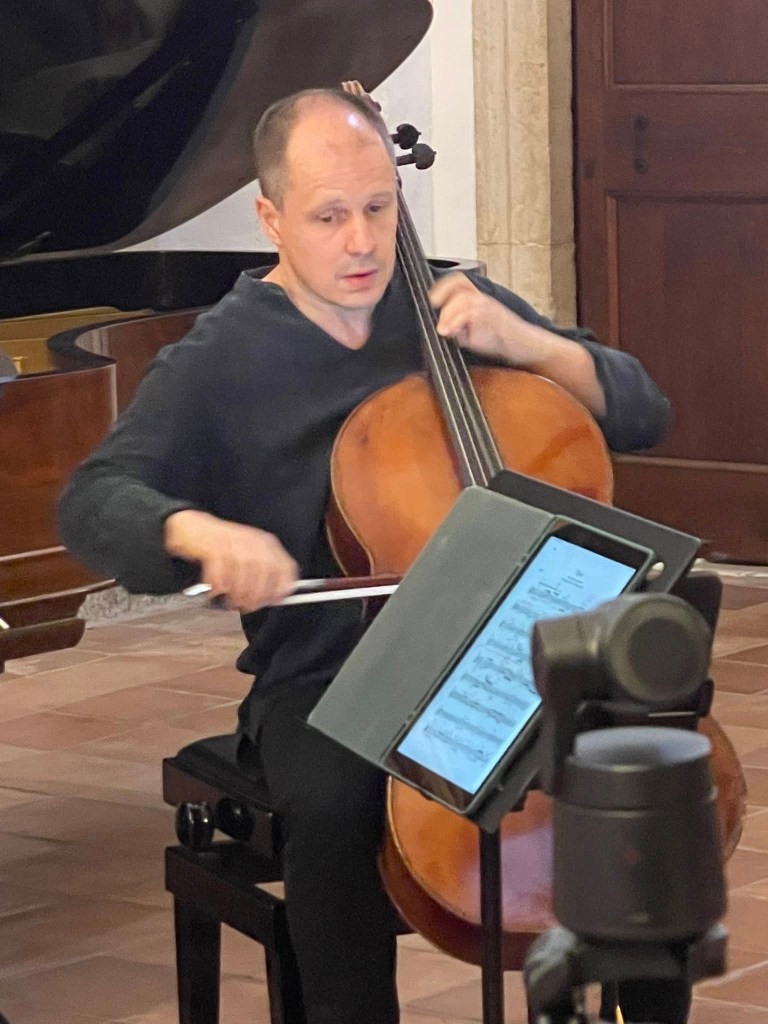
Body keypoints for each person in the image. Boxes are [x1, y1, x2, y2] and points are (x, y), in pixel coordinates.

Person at [57, 88, 684, 1024]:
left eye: (379, 208)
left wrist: (531, 344)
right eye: (329, 217)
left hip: (518, 655)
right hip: (331, 679)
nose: (362, 243)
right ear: (271, 218)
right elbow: (95, 500)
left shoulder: (451, 306)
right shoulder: (218, 360)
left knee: (648, 772)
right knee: (335, 805)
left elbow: (641, 411)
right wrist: (196, 531)